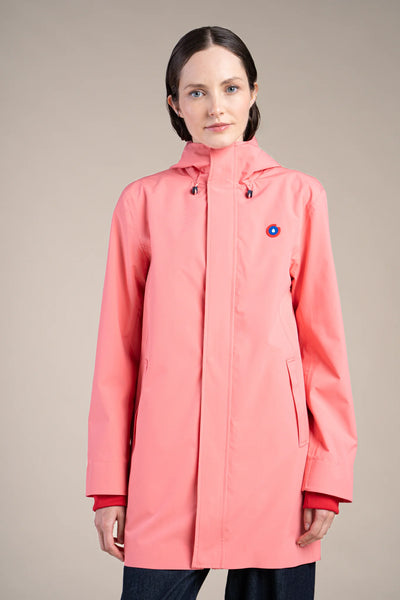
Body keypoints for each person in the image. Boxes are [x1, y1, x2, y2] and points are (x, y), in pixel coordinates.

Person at [85, 25, 357, 600]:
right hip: (166, 470)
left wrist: (326, 479)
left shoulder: (300, 197)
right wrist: (110, 486)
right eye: (197, 92)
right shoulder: (143, 203)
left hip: (277, 472)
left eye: (231, 88)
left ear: (253, 92)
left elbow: (322, 348)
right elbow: (117, 355)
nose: (216, 107)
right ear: (175, 104)